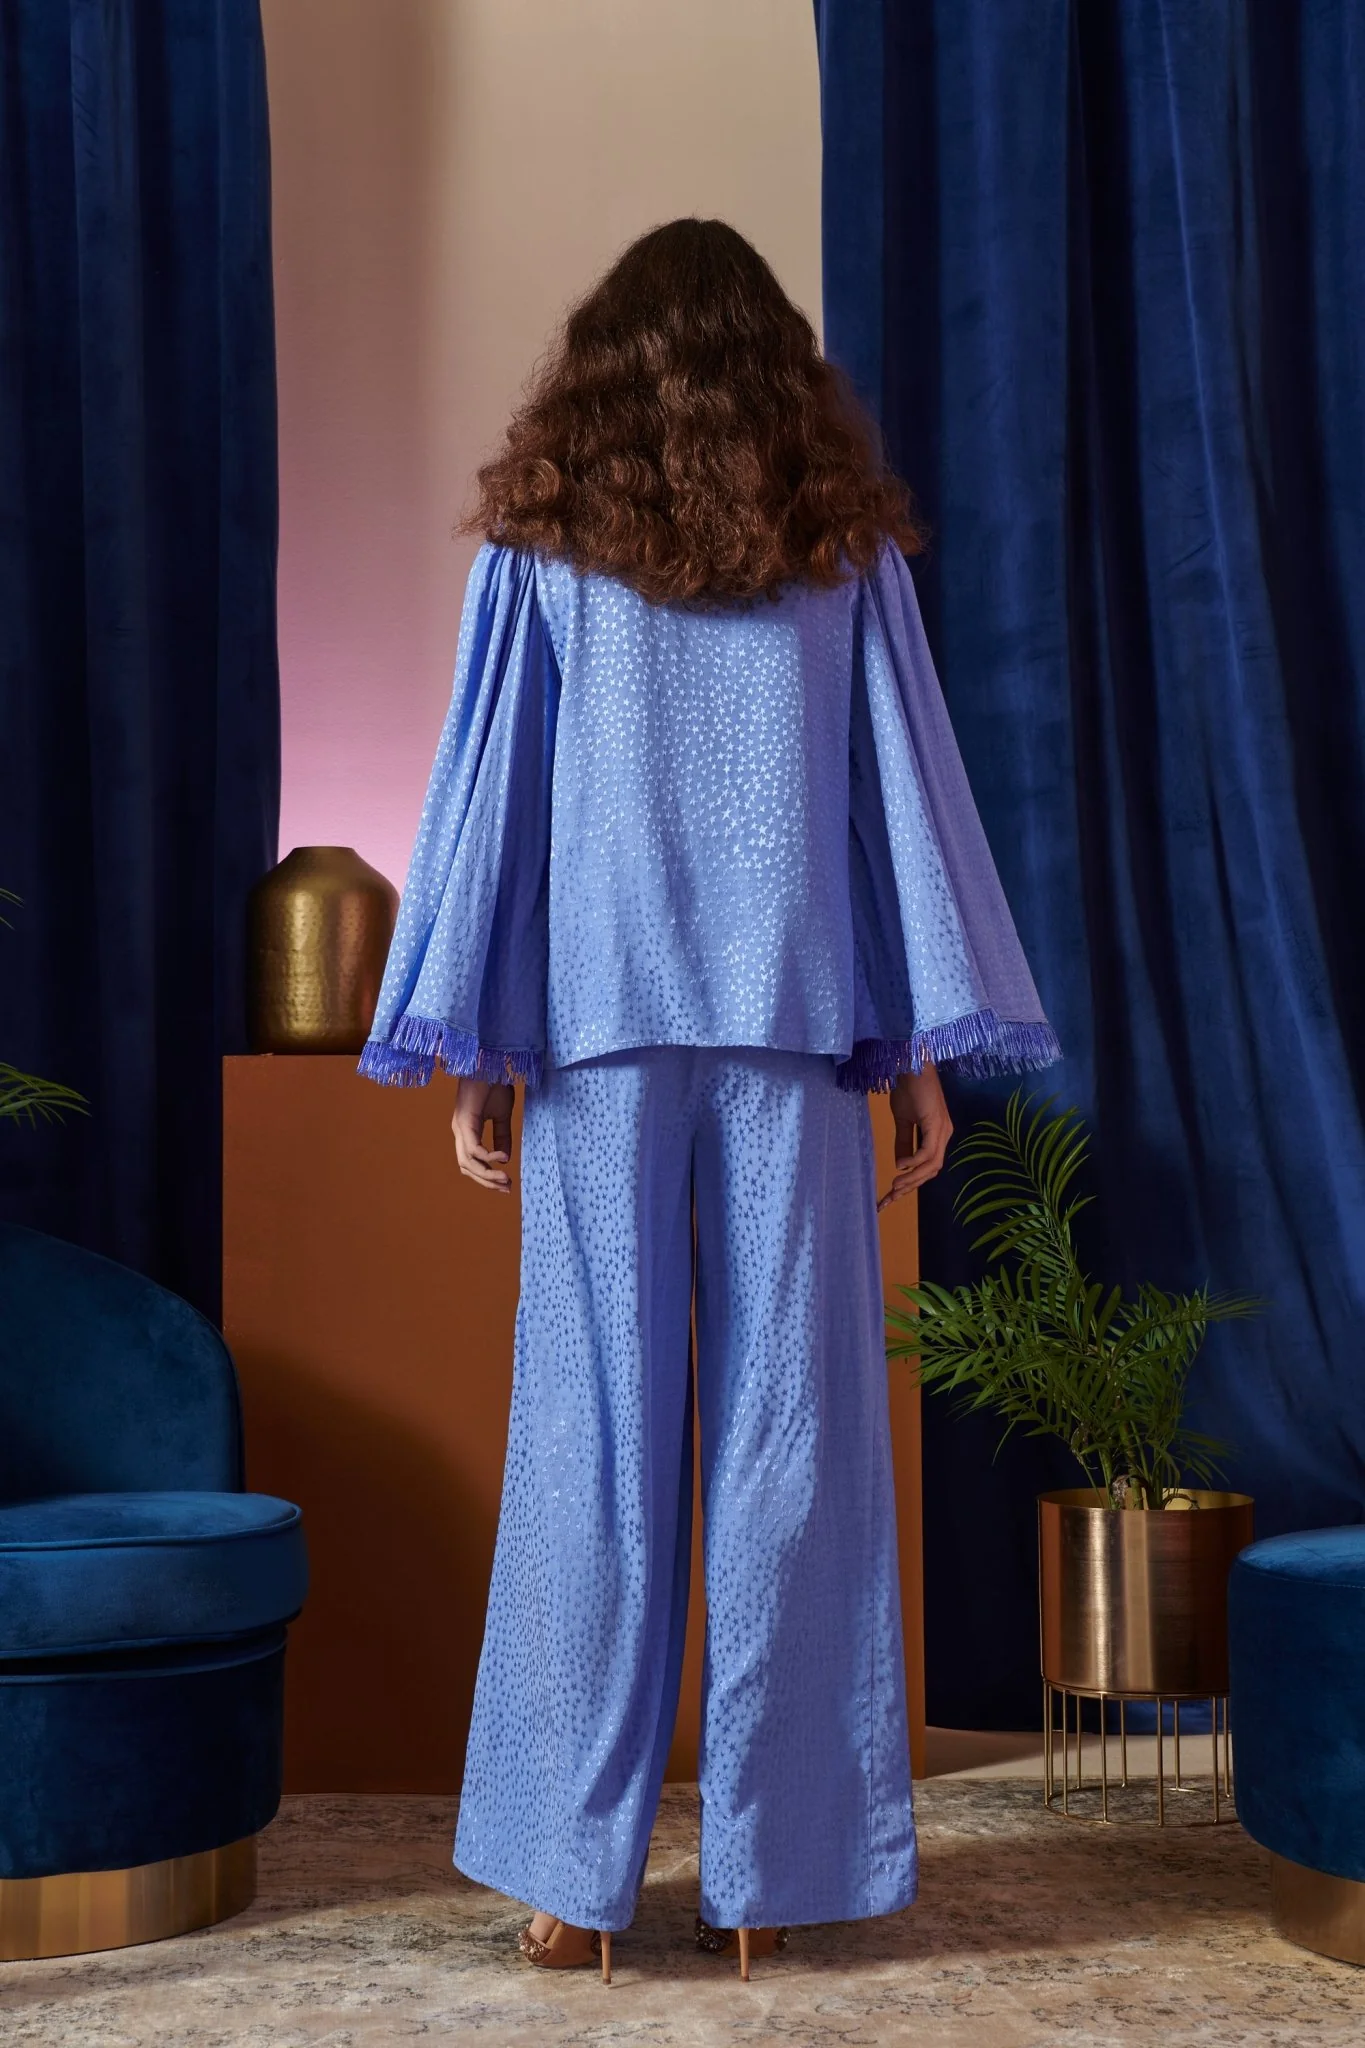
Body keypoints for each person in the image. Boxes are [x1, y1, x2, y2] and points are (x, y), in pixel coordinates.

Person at [360, 218, 1059, 1983]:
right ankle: (772, 1880)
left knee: (587, 1443)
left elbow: (494, 801)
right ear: (778, 372)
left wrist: (480, 1051)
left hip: (600, 1038)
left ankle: (566, 1885)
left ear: (599, 372)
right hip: (790, 1035)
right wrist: (910, 1055)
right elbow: (898, 809)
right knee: (790, 1446)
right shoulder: (837, 552)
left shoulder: (545, 554)